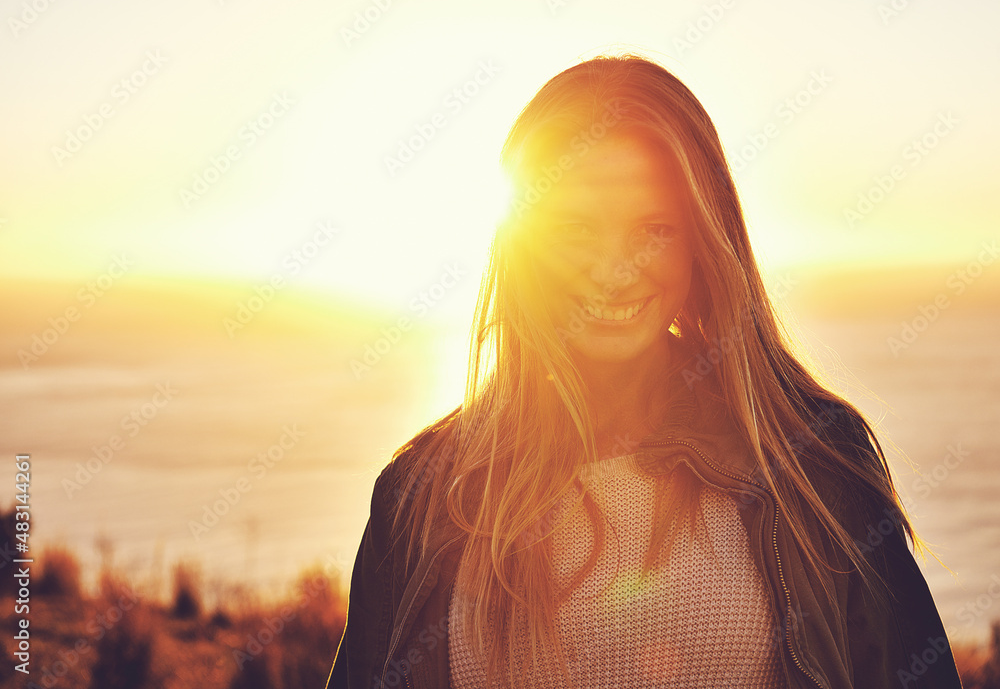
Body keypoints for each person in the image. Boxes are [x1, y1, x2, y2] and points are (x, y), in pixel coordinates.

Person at [326, 54, 963, 689]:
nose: (614, 270)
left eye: (653, 228)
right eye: (575, 227)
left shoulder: (809, 460)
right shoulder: (419, 495)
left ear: (703, 240)